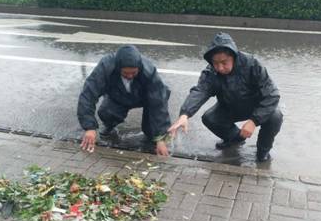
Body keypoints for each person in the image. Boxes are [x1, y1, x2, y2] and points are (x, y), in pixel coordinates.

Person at [168, 32, 283, 162]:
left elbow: (272, 94)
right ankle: (235, 139)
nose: (220, 68)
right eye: (215, 63)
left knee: (275, 116)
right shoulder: (211, 72)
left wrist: (253, 121)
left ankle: (263, 151)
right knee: (210, 118)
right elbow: (200, 91)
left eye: (224, 62)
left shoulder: (252, 64)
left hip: (255, 106)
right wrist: (185, 114)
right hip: (229, 106)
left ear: (233, 56)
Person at [77, 45, 171, 156]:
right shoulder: (106, 67)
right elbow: (88, 95)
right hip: (118, 95)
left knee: (152, 131)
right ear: (118, 68)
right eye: (126, 73)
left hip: (145, 98)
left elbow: (158, 103)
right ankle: (109, 125)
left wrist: (160, 138)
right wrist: (89, 127)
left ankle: (153, 137)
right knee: (106, 113)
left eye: (134, 73)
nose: (130, 76)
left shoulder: (148, 71)